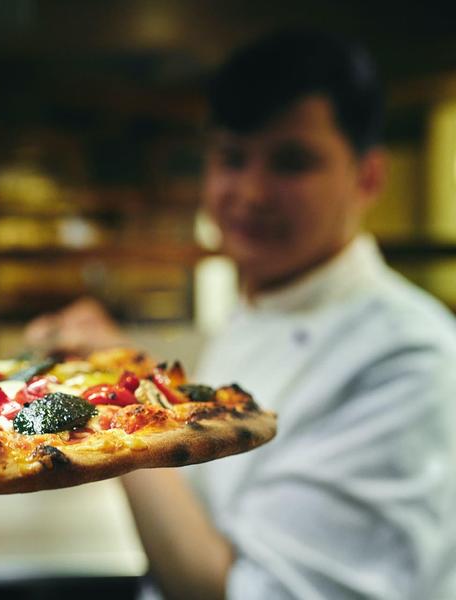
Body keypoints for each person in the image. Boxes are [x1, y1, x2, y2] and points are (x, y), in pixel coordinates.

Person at [25, 30, 456, 599]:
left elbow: (246, 592)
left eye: (291, 162)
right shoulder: (267, 296)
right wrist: (121, 373)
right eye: (232, 157)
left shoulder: (407, 362)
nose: (250, 193)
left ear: (367, 177)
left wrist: (119, 408)